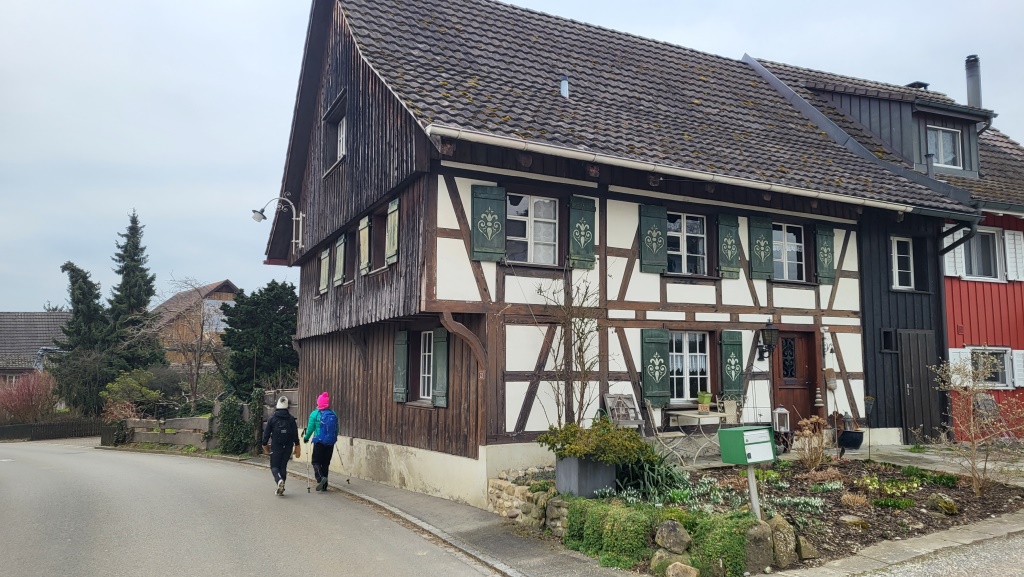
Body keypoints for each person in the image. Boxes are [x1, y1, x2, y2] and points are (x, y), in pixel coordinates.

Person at [262, 396, 300, 496]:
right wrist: (297, 445)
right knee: (283, 466)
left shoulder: (272, 419)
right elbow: (295, 434)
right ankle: (282, 485)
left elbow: (266, 434)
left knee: (274, 466)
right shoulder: (291, 419)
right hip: (288, 446)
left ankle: (279, 480)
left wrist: (265, 444)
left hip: (276, 446)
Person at [303, 391, 338, 492]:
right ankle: (324, 486)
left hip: (319, 441)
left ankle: (320, 478)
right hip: (330, 442)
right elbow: (336, 428)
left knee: (316, 461)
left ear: (318, 403)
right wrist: (333, 437)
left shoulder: (314, 414)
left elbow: (310, 429)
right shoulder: (333, 413)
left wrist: (306, 438)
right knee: (325, 463)